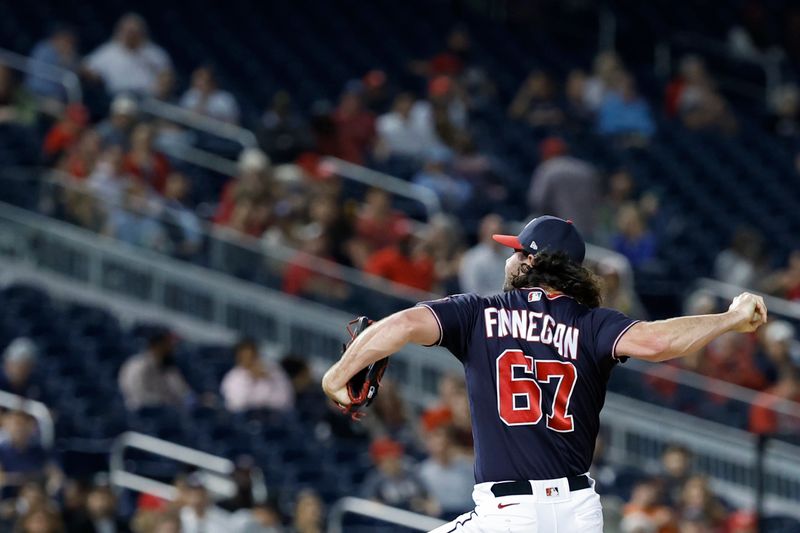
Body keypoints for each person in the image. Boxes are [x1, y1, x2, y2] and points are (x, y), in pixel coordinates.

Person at [322, 215, 767, 532]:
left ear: (531, 263)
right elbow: (656, 342)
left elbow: (399, 326)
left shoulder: (479, 312)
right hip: (578, 511)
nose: (508, 259)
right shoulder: (594, 324)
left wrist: (338, 374)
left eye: (515, 251)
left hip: (509, 513)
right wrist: (729, 318)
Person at [83, 13, 172, 96]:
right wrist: (95, 78)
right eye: (128, 31)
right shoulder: (109, 51)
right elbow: (86, 67)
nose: (131, 35)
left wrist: (162, 88)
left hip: (148, 98)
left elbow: (166, 74)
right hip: (119, 96)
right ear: (121, 31)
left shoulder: (153, 52)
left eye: (135, 32)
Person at [118, 329, 192, 411]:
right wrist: (165, 401)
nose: (172, 350)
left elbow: (185, 396)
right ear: (156, 346)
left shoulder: (169, 370)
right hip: (142, 412)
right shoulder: (137, 365)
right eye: (167, 346)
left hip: (166, 412)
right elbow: (137, 396)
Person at [220, 338, 294, 413]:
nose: (249, 360)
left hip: (274, 417)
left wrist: (269, 380)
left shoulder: (273, 370)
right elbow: (236, 404)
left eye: (252, 356)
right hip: (248, 419)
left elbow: (286, 399)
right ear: (238, 358)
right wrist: (251, 379)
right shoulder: (232, 378)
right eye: (245, 357)